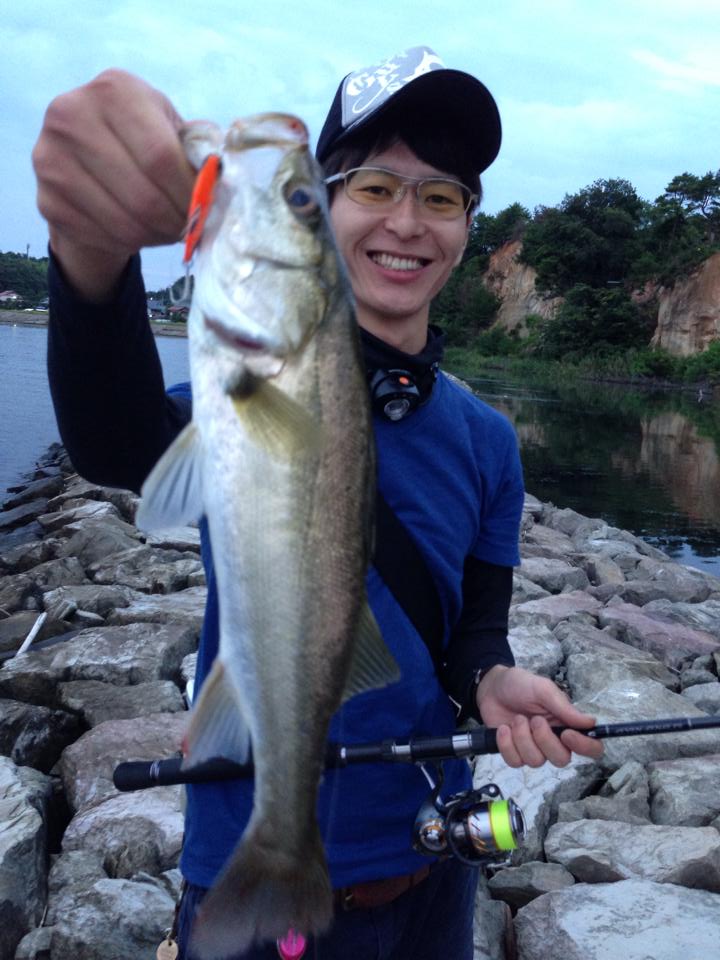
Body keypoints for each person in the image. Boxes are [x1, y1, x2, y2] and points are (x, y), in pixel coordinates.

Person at [34, 46, 603, 960]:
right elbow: (115, 441)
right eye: (374, 187)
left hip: (434, 866)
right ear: (331, 209)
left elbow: (475, 633)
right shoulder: (249, 388)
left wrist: (493, 683)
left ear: (468, 227)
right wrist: (90, 250)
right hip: (252, 876)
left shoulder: (489, 442)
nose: (407, 221)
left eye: (441, 196)